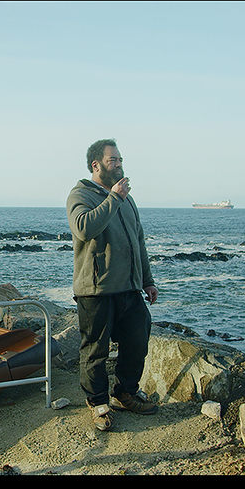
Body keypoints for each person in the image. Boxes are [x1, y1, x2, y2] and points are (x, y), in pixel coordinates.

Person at [66, 138, 159, 431]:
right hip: (96, 290)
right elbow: (84, 228)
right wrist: (114, 199)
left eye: (120, 160)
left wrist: (147, 280)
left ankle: (125, 393)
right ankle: (98, 403)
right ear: (96, 165)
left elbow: (138, 242)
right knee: (95, 350)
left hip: (129, 288)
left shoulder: (127, 200)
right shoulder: (80, 194)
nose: (119, 165)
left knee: (137, 340)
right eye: (112, 160)